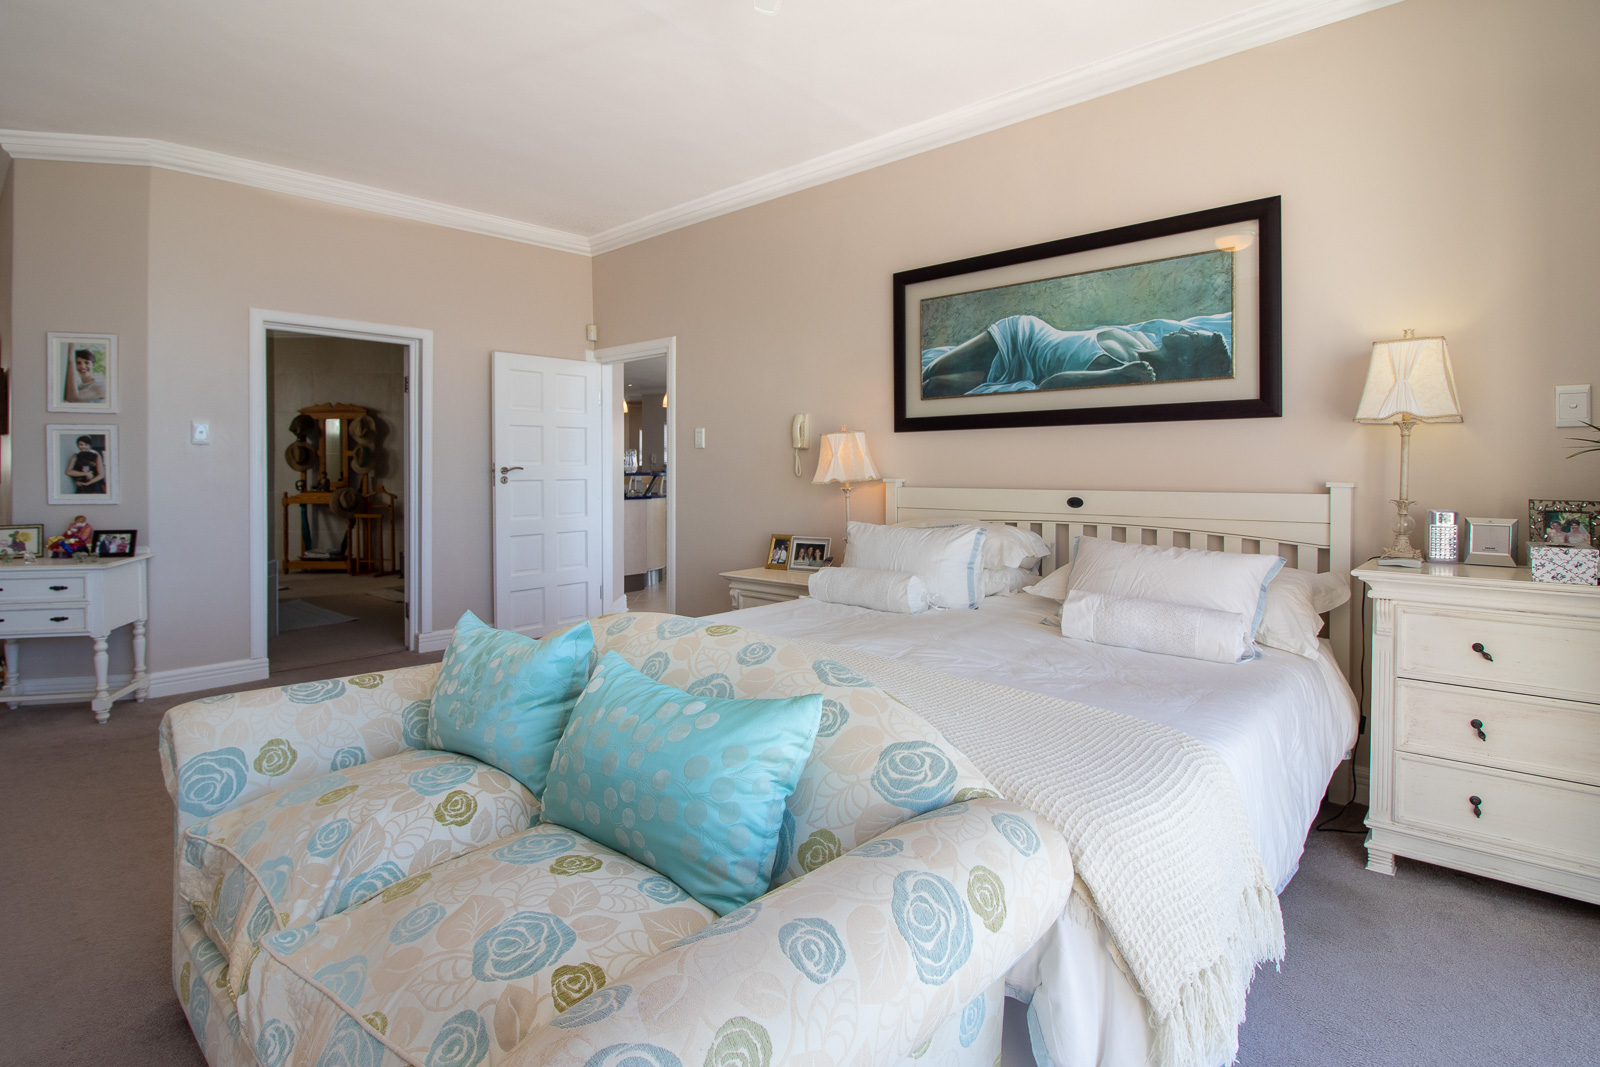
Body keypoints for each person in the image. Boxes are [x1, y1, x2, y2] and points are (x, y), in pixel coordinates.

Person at [921, 313, 1233, 398]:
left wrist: (1115, 376)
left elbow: (1048, 386)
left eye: (1192, 337)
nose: (1184, 330)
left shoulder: (1121, 370)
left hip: (1021, 371)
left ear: (1186, 359)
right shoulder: (1144, 338)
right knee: (930, 372)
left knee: (933, 388)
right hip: (1022, 337)